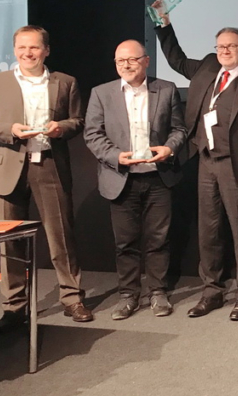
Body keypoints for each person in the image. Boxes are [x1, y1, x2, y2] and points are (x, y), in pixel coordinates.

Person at [152, 1, 238, 321]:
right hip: (205, 161)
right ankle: (212, 290)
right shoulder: (207, 66)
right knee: (209, 229)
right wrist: (163, 24)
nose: (225, 51)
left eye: (231, 46)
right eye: (220, 46)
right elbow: (176, 59)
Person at [0, 25, 92, 329]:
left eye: (34, 47)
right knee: (9, 242)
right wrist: (11, 130)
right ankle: (14, 307)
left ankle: (72, 298)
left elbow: (78, 120)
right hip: (7, 168)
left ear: (46, 50)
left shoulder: (65, 82)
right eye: (22, 47)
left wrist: (62, 128)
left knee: (61, 236)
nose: (28, 53)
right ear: (14, 50)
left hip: (49, 164)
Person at [83, 40, 187, 319]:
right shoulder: (101, 93)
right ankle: (128, 295)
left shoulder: (166, 89)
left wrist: (169, 149)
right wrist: (115, 156)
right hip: (121, 177)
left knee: (158, 239)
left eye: (132, 60)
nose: (126, 65)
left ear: (146, 61)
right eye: (120, 61)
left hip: (158, 177)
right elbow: (92, 134)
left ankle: (158, 292)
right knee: (125, 243)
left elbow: (179, 129)